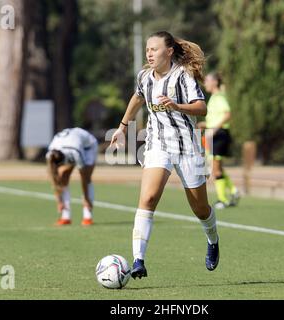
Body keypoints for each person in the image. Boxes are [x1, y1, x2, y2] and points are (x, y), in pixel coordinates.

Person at [110, 31, 220, 279]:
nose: (149, 53)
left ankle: (212, 240)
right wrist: (122, 127)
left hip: (187, 147)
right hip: (156, 144)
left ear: (169, 51)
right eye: (147, 49)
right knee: (148, 198)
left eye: (154, 49)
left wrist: (176, 105)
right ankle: (138, 260)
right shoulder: (144, 77)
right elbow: (138, 98)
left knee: (200, 208)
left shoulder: (183, 75)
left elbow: (201, 107)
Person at [199, 72, 240, 210]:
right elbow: (215, 118)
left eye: (207, 81)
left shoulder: (219, 97)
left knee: (215, 169)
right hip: (213, 134)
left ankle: (222, 200)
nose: (205, 84)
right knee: (217, 167)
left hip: (218, 135)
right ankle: (233, 191)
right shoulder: (213, 98)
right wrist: (204, 125)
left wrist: (214, 129)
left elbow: (227, 114)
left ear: (215, 82)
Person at [46, 127, 98, 226]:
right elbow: (54, 178)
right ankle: (65, 216)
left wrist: (86, 198)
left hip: (88, 147)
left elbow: (83, 177)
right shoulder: (50, 155)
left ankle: (87, 216)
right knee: (63, 177)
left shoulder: (75, 153)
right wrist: (59, 201)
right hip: (71, 144)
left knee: (87, 177)